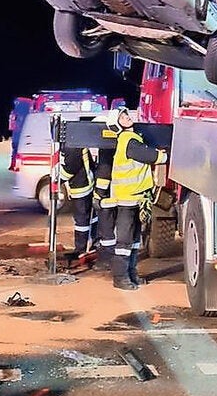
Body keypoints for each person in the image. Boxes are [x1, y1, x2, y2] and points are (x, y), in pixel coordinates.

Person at [110, 106, 167, 290]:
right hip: (127, 199)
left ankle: (132, 274)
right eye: (122, 117)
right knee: (125, 241)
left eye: (126, 114)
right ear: (116, 124)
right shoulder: (128, 140)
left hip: (136, 197)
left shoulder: (133, 138)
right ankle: (120, 278)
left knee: (134, 239)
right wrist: (164, 155)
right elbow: (149, 156)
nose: (127, 117)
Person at [91, 110, 120, 270]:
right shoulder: (123, 138)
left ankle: (107, 260)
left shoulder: (106, 145)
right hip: (124, 192)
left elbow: (104, 169)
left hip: (109, 193)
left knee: (107, 225)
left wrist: (99, 193)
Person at [61, 141, 96, 260]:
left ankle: (81, 249)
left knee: (81, 220)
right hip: (84, 183)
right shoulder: (75, 141)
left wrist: (57, 179)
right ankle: (90, 245)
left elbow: (70, 168)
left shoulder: (72, 145)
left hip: (82, 186)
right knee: (88, 218)